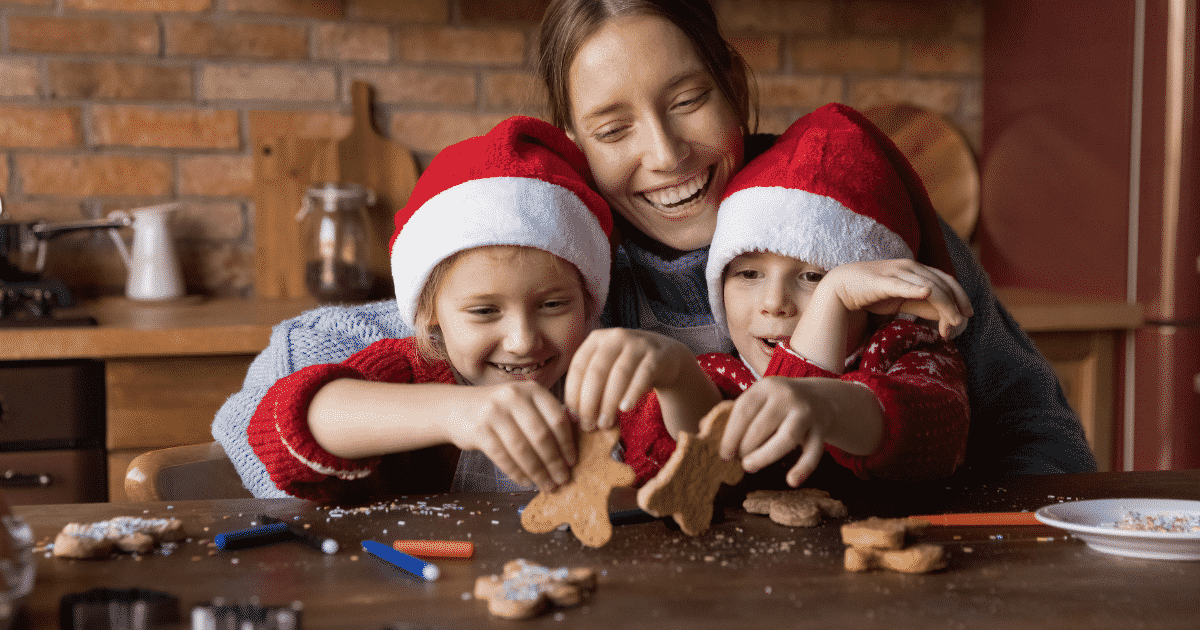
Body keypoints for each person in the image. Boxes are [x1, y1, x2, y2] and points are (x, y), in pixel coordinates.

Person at [213, 0, 1094, 498]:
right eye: (614, 126)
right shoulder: (552, 275)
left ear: (733, 86)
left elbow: (1039, 436)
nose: (666, 155)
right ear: (578, 146)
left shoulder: (856, 224)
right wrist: (447, 418)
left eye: (687, 100)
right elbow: (250, 422)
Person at [236, 116, 719, 501]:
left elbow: (697, 475)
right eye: (485, 312)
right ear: (429, 313)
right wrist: (457, 413)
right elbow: (278, 427)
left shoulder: (605, 387)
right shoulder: (411, 371)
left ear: (590, 301)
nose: (523, 340)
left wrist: (678, 376)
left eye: (553, 304)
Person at [695, 103, 972, 489]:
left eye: (813, 276)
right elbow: (668, 464)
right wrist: (668, 376)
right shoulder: (718, 378)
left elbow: (935, 437)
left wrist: (826, 402)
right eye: (749, 273)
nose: (774, 302)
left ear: (874, 295)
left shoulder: (905, 354)